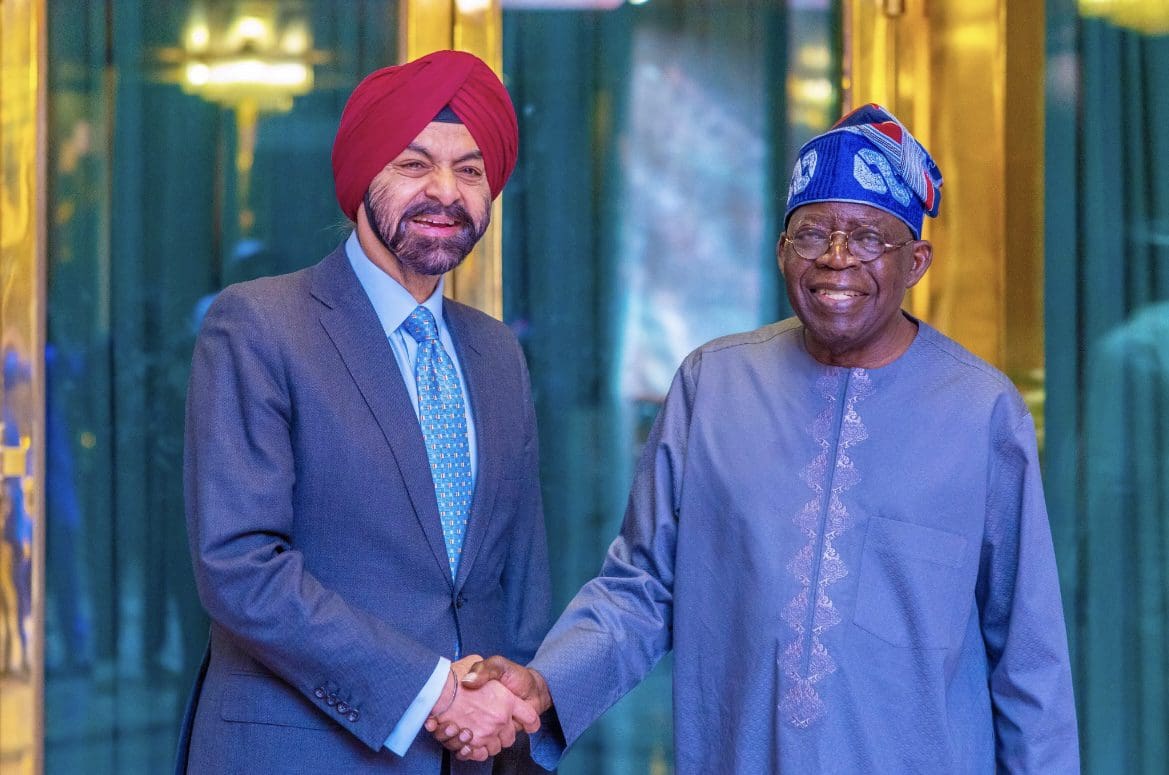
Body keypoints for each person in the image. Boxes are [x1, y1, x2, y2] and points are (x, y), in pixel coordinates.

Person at [456, 104, 1080, 773]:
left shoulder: (982, 411)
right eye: (811, 234)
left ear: (917, 262)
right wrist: (546, 682)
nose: (836, 259)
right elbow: (641, 587)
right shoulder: (712, 385)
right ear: (782, 250)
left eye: (869, 238)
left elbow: (1029, 661)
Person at [177, 50, 551, 774]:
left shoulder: (496, 351)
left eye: (470, 170)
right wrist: (435, 692)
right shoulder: (260, 324)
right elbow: (239, 567)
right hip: (301, 751)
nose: (445, 191)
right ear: (361, 178)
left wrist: (512, 714)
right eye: (414, 164)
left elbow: (520, 575)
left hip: (472, 756)